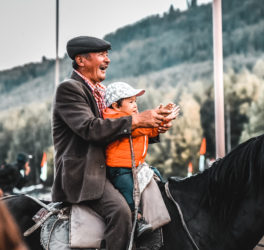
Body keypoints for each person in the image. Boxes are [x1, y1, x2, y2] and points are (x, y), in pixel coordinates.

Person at [51, 36, 172, 250]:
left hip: (110, 171)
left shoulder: (102, 92)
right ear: (81, 60)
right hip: (84, 176)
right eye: (101, 55)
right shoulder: (69, 89)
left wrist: (153, 128)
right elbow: (90, 129)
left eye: (107, 54)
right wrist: (138, 119)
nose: (107, 60)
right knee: (120, 212)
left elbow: (115, 132)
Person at [103, 81, 178, 236]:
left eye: (135, 101)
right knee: (130, 194)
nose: (135, 105)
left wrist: (162, 122)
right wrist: (158, 118)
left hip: (134, 166)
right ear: (116, 106)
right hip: (120, 169)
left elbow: (149, 131)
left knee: (155, 176)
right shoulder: (117, 119)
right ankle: (135, 219)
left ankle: (160, 204)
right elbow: (141, 129)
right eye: (130, 102)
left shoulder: (133, 119)